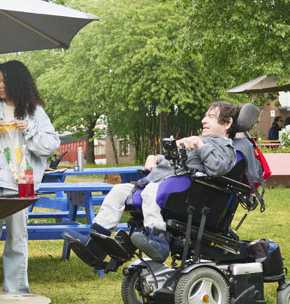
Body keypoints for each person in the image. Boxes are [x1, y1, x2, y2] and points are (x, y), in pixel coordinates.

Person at [65, 101, 240, 266]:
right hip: (158, 182)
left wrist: (199, 144)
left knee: (151, 192)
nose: (203, 120)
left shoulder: (225, 148)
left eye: (211, 116)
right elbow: (173, 160)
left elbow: (218, 168)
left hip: (183, 195)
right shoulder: (199, 140)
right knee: (119, 191)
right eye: (205, 116)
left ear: (227, 123)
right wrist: (156, 157)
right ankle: (95, 244)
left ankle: (158, 240)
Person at [0, 61, 59, 294]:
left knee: (17, 237)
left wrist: (30, 128)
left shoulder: (35, 112)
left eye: (4, 81)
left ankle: (16, 292)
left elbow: (51, 145)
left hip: (23, 180)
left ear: (17, 82)